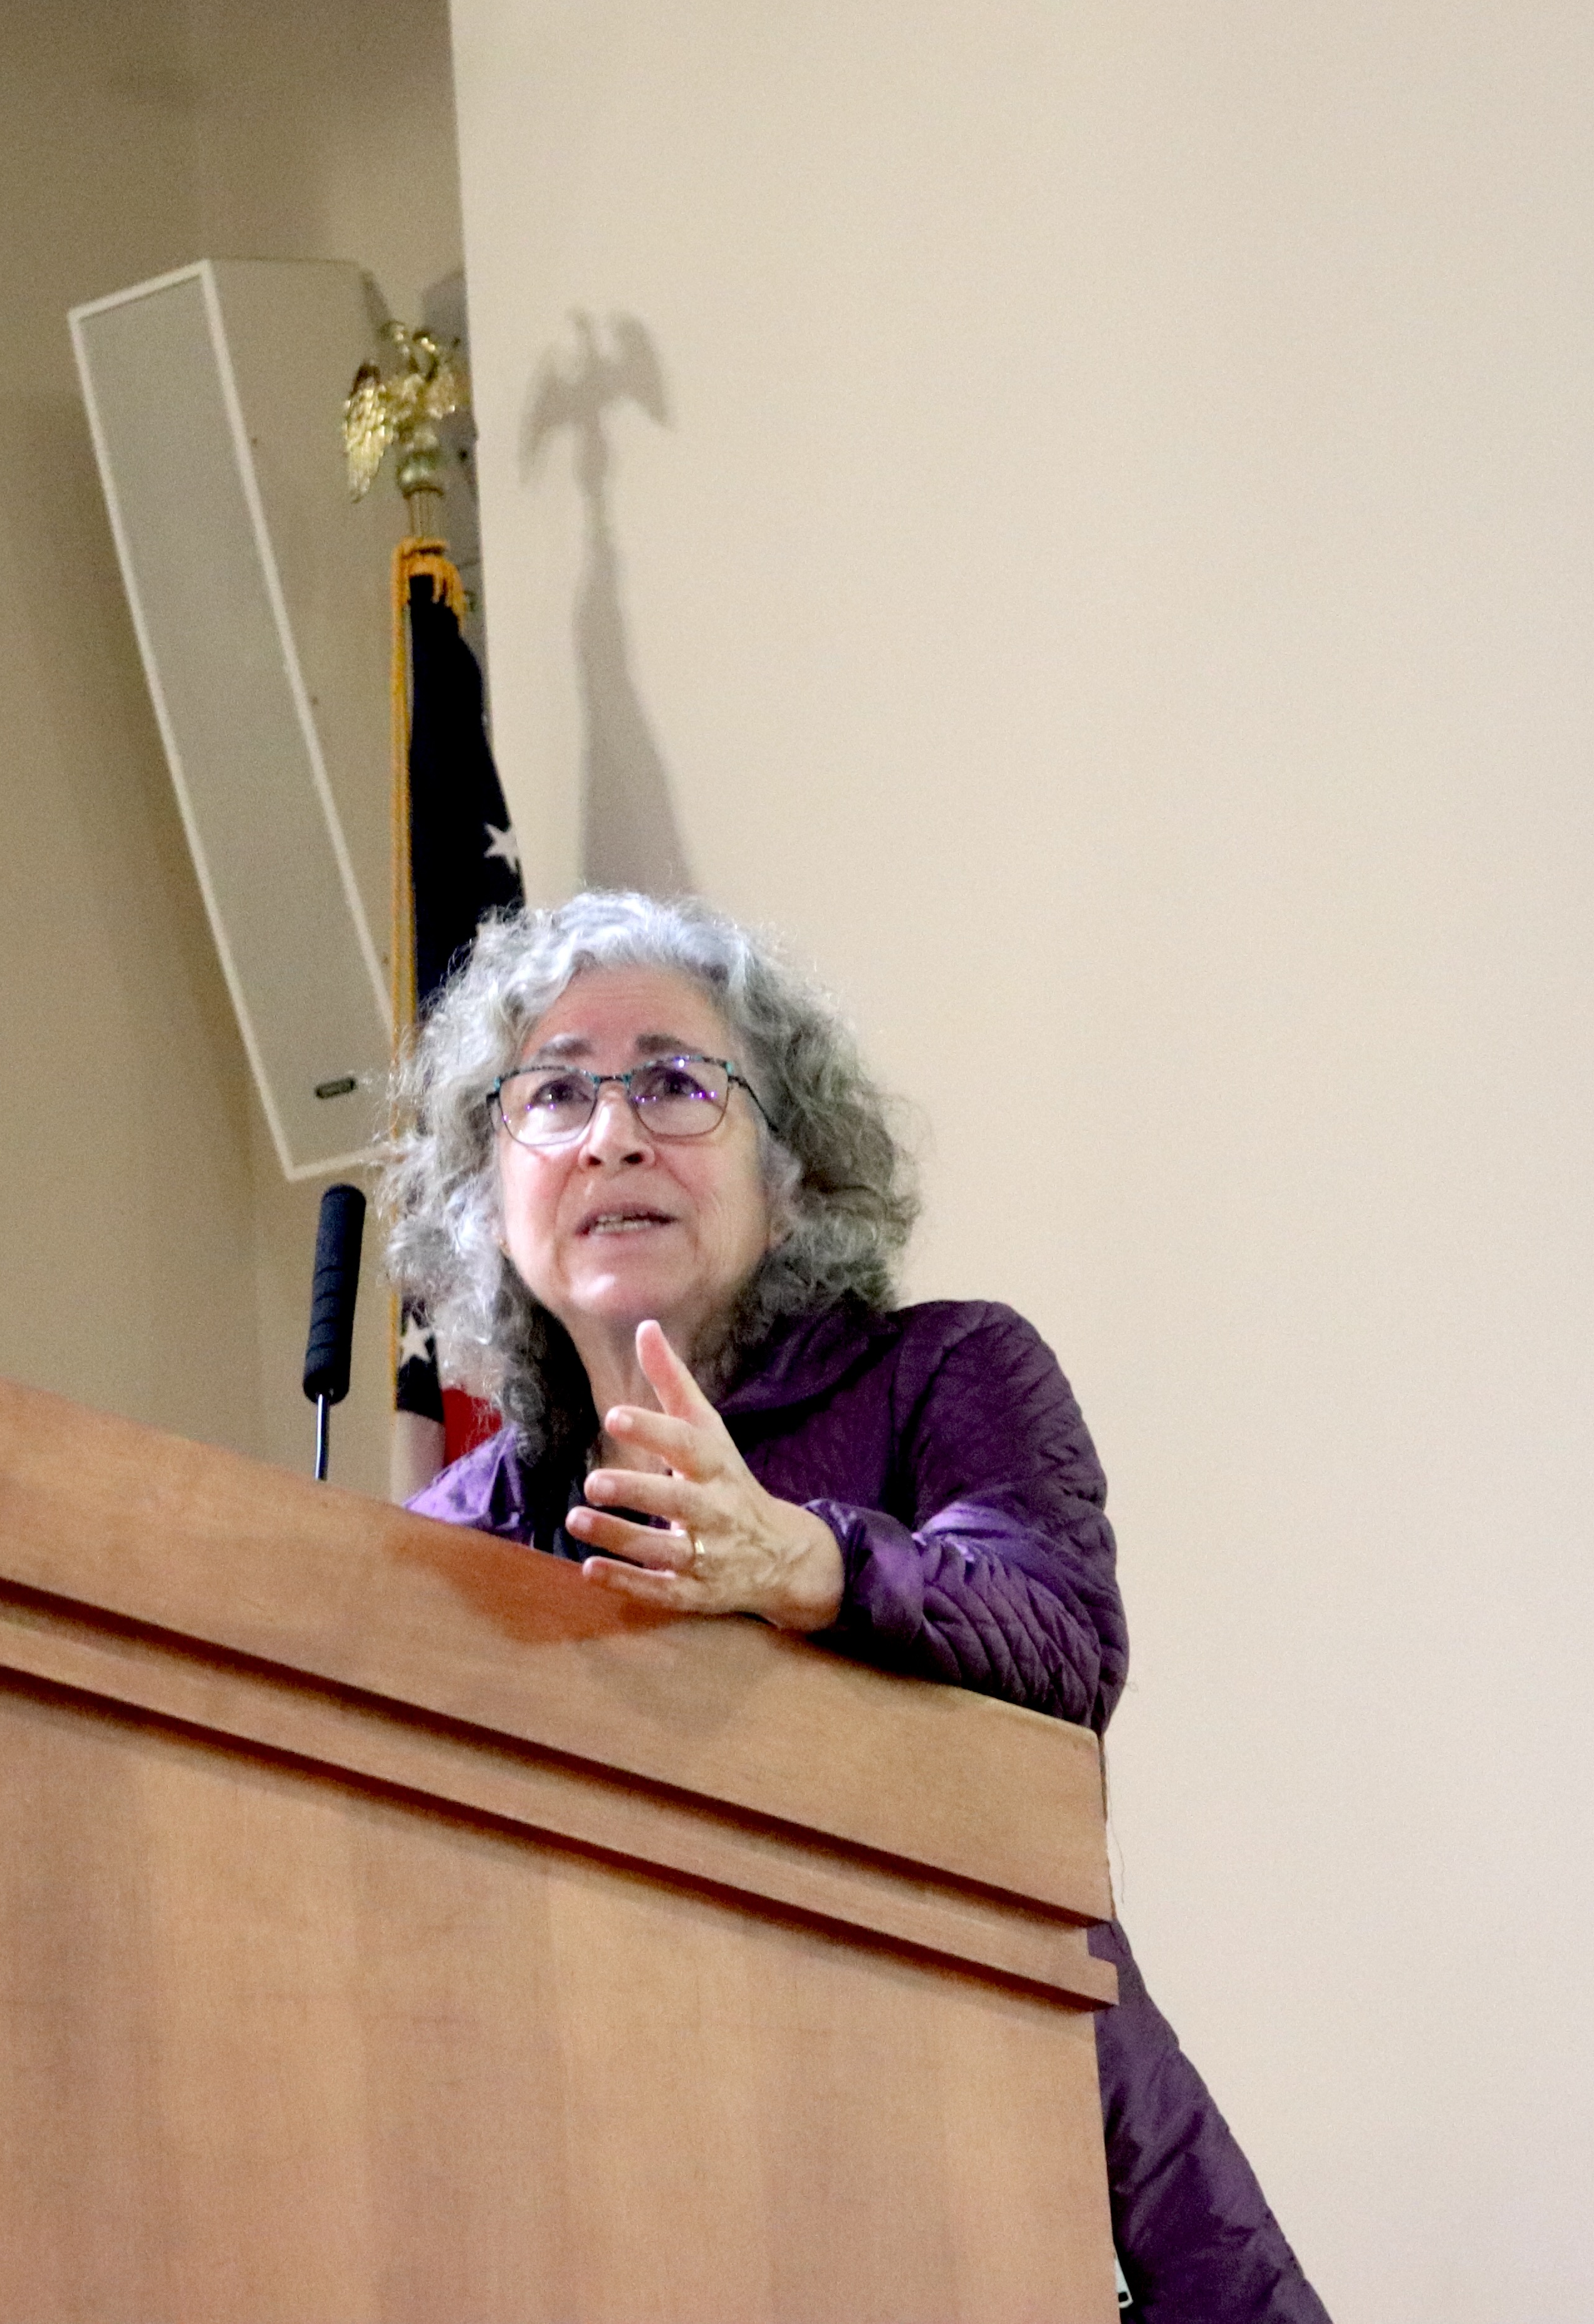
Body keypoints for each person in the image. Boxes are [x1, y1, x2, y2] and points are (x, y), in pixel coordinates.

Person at [383, 888, 1328, 2324]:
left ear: (794, 1178)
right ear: (485, 1190)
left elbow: (1058, 1644)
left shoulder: (943, 1375)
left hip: (1004, 2177)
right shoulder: (450, 1541)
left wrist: (798, 1562)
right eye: (556, 1090)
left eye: (674, 1083)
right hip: (605, 2216)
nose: (611, 1131)